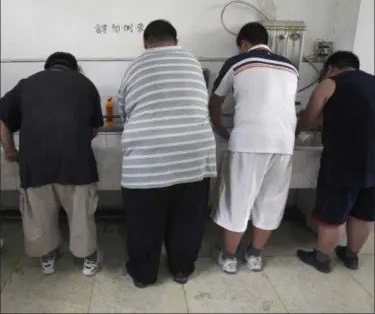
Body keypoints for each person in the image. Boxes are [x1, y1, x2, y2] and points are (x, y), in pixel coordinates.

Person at [117, 19, 216, 288]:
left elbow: (124, 112)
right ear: (175, 40)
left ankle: (143, 274)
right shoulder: (193, 62)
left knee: (144, 221)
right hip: (194, 156)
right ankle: (182, 268)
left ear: (145, 43)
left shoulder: (135, 65)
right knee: (187, 218)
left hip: (147, 159)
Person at [0, 52, 104, 276]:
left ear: (47, 68)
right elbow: (94, 128)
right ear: (74, 69)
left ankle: (47, 257)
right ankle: (88, 259)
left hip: (35, 162)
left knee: (39, 213)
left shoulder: (26, 84)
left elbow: (2, 117)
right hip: (76, 163)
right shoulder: (84, 84)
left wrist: (9, 150)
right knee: (80, 212)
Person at [209, 22, 299, 273]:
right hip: (283, 144)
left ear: (243, 43)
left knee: (237, 200)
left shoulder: (238, 62)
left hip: (248, 142)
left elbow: (215, 99)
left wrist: (218, 127)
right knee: (270, 200)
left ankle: (228, 258)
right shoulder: (290, 66)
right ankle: (255, 256)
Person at [296, 51, 375, 273]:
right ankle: (351, 256)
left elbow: (308, 119)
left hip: (344, 161)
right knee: (364, 212)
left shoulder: (330, 84)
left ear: (330, 68)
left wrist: (296, 129)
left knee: (334, 212)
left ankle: (322, 258)